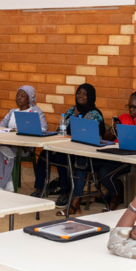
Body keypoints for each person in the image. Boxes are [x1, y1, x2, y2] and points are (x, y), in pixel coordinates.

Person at [30, 84, 105, 216]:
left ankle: (66, 193)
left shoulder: (95, 114)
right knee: (44, 154)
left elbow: (94, 134)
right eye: (78, 93)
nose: (80, 96)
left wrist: (77, 118)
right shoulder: (70, 110)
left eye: (84, 94)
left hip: (85, 152)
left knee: (63, 157)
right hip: (68, 148)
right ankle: (39, 188)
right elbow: (61, 131)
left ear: (91, 96)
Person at [0, 85, 47, 191]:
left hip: (24, 148)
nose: (19, 98)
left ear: (29, 99)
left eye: (23, 96)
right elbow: (0, 126)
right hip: (7, 144)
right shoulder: (12, 112)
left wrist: (25, 131)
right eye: (17, 95)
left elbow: (44, 129)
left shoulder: (36, 111)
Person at [96, 91, 136, 210]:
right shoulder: (123, 117)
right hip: (114, 154)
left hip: (133, 160)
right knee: (91, 165)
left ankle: (115, 197)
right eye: (129, 106)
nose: (131, 110)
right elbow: (106, 138)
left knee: (104, 173)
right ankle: (116, 194)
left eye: (134, 107)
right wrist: (113, 129)